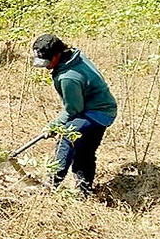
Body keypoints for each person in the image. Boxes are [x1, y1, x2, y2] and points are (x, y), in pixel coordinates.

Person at [32, 33, 116, 196]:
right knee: (84, 150)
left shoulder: (68, 77)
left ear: (57, 55)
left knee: (67, 136)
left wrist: (55, 126)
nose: (46, 66)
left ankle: (50, 185)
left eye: (49, 61)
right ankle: (85, 191)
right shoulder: (73, 55)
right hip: (101, 109)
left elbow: (73, 110)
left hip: (97, 112)